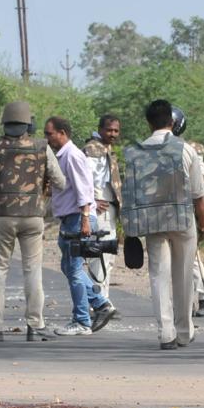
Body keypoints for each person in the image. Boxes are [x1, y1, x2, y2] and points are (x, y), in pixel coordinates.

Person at [0, 101, 66, 342]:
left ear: (4, 124)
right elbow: (61, 182)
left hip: (2, 217)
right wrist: (43, 185)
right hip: (33, 217)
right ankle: (35, 324)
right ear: (29, 124)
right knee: (32, 270)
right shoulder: (42, 147)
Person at [122, 99, 204, 349]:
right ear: (172, 122)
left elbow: (128, 195)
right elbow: (198, 194)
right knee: (183, 275)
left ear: (149, 123)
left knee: (159, 275)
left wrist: (130, 231)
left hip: (151, 221)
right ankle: (184, 331)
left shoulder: (134, 151)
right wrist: (203, 223)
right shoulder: (185, 149)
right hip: (182, 220)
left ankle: (166, 333)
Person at [45, 117, 116, 336]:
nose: (47, 138)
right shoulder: (62, 156)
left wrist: (86, 219)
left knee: (74, 270)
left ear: (62, 133)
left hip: (78, 217)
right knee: (68, 267)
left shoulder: (73, 155)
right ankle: (101, 304)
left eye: (50, 134)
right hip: (70, 218)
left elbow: (84, 189)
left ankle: (82, 321)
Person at [170, 107, 204, 317]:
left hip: (187, 208)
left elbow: (200, 180)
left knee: (191, 257)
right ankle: (199, 298)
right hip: (170, 210)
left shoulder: (190, 149)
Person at [83, 116, 122, 309]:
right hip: (100, 211)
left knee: (107, 257)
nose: (113, 134)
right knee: (99, 257)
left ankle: (102, 300)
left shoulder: (105, 149)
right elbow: (87, 178)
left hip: (109, 210)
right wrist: (92, 201)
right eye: (109, 130)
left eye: (116, 130)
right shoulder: (94, 149)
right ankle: (98, 303)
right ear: (100, 129)